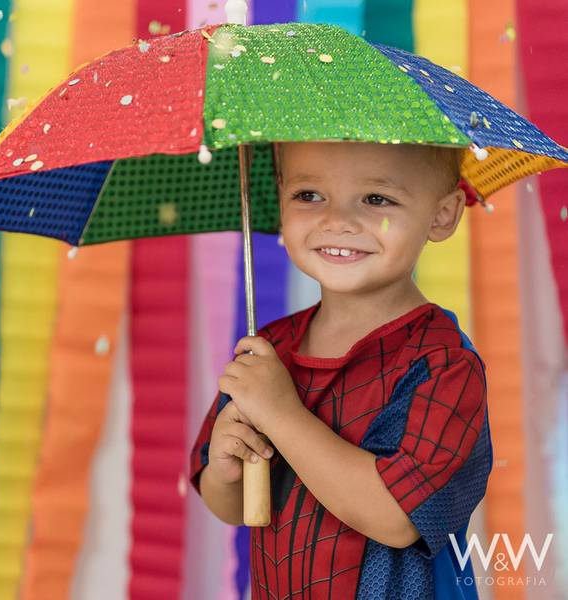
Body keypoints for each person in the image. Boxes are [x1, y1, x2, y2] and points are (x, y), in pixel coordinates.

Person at [189, 141, 494, 599]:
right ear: (279, 194)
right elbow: (234, 507)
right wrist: (226, 467)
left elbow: (396, 519)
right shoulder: (269, 350)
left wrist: (281, 413)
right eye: (309, 195)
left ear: (442, 215)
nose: (337, 221)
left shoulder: (443, 365)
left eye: (376, 199)